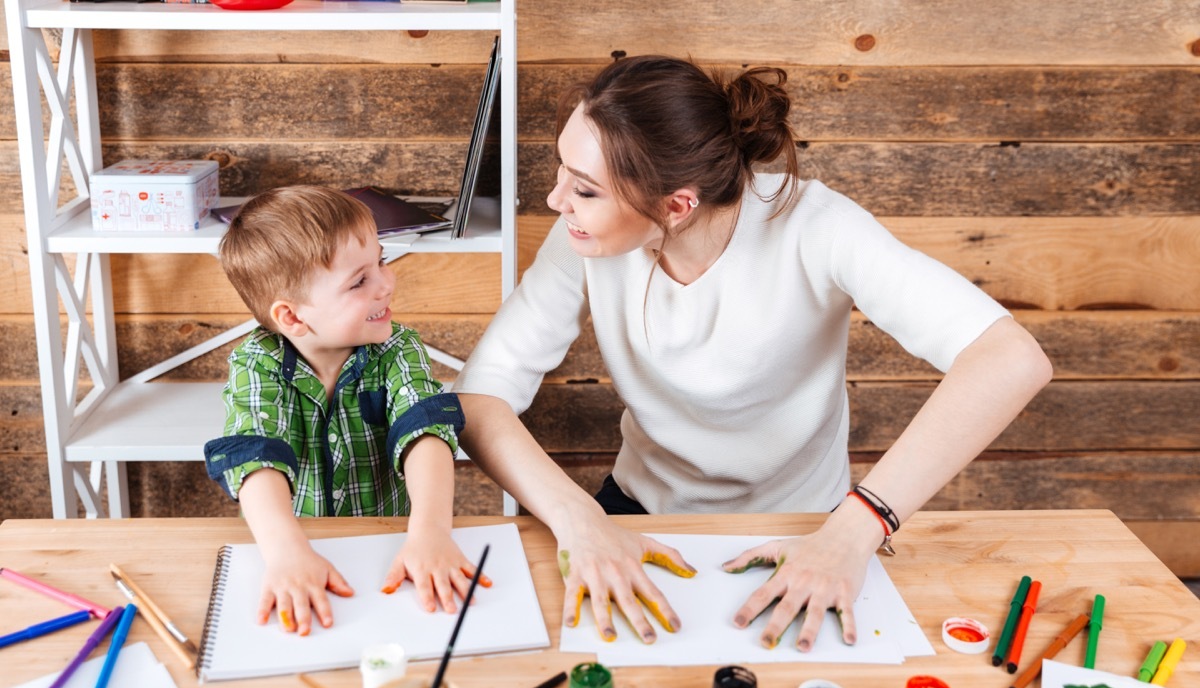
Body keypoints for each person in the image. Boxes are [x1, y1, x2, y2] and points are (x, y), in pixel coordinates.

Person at [454, 56, 1052, 651]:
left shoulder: (818, 227)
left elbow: (1009, 359)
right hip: (634, 512)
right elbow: (481, 399)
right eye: (563, 172)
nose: (557, 200)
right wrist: (582, 520)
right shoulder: (578, 237)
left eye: (584, 188)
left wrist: (857, 527)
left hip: (810, 529)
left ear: (676, 206)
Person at [204, 186, 486, 636]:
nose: (386, 283)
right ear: (292, 318)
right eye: (359, 281)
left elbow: (426, 433)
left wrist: (431, 532)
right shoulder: (256, 364)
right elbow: (255, 456)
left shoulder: (398, 349)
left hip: (391, 543)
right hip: (295, 548)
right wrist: (285, 553)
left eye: (381, 262)